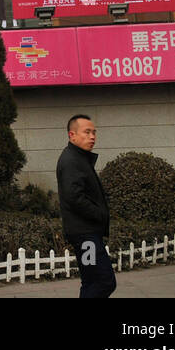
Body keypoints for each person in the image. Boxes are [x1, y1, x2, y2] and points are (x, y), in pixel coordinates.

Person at [56, 114, 116, 297]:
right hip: (85, 236)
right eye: (87, 132)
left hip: (86, 233)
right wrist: (100, 214)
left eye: (94, 132)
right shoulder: (71, 161)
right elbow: (73, 197)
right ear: (71, 135)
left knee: (91, 281)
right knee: (104, 282)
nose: (92, 136)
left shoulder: (79, 158)